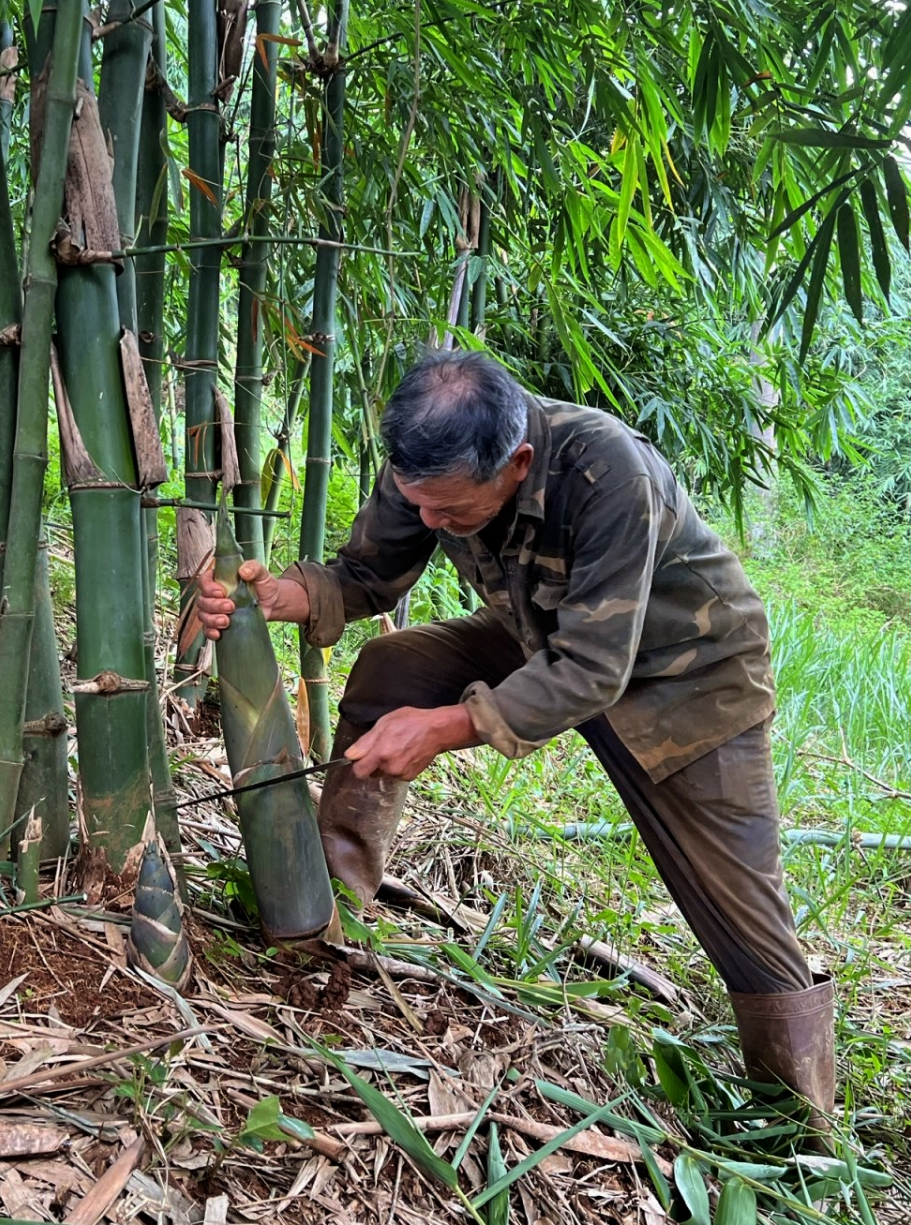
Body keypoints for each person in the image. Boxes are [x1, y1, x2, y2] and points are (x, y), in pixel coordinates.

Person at [195, 349, 834, 1121]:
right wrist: (284, 596)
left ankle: (798, 1126)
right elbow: (366, 575)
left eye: (452, 514)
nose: (430, 523)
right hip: (542, 637)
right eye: (418, 504)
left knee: (743, 917)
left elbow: (595, 668)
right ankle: (331, 910)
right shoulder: (431, 461)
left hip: (686, 678)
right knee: (392, 671)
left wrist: (448, 727)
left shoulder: (609, 472)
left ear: (517, 461)